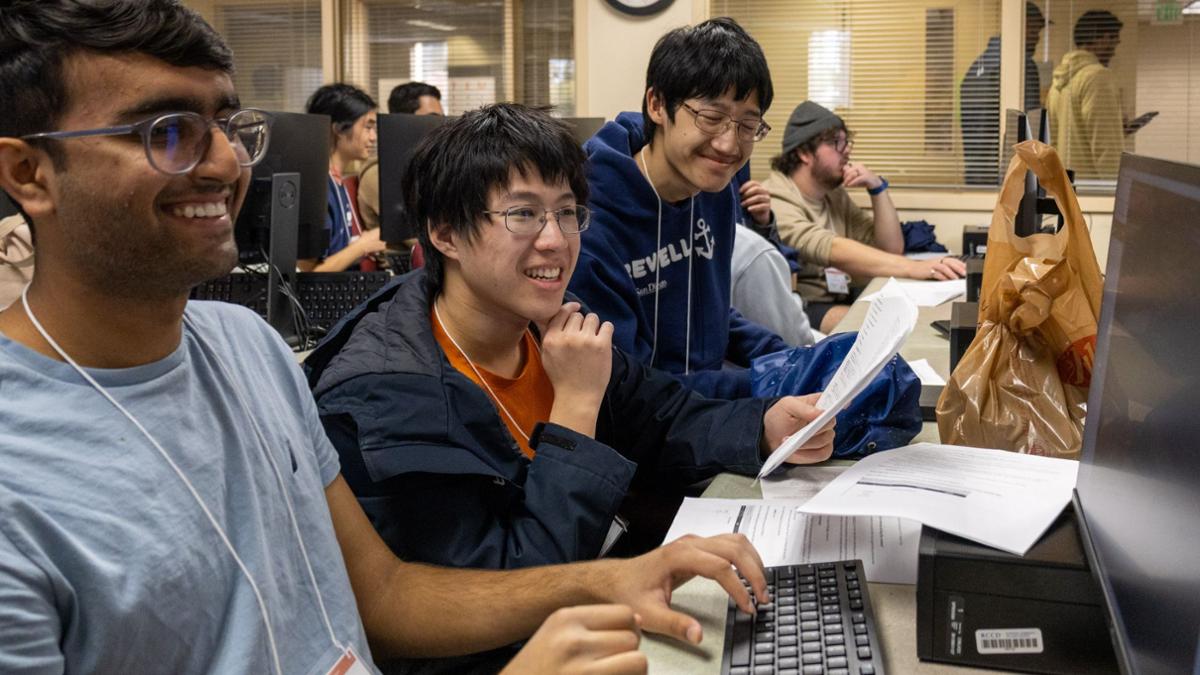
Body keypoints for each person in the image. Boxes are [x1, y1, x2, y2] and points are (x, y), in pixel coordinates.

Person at [0, 2, 783, 672]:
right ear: (29, 172)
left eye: (227, 126)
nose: (224, 163)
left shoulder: (247, 347)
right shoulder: (20, 482)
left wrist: (609, 580)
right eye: (168, 131)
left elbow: (386, 593)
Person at [306, 102, 835, 576]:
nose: (556, 241)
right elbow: (512, 587)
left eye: (566, 213)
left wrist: (763, 427)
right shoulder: (391, 395)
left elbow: (662, 416)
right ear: (446, 233)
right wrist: (577, 405)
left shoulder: (545, 325)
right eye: (522, 214)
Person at [568, 18, 792, 401]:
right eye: (711, 118)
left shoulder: (713, 185)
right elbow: (626, 389)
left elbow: (711, 316)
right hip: (641, 421)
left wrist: (790, 359)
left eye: (747, 125)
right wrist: (764, 381)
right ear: (657, 105)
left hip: (703, 409)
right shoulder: (588, 222)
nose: (728, 145)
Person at [764, 101, 967, 334]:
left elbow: (891, 248)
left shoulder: (834, 195)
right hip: (805, 305)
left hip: (843, 293)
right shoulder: (775, 197)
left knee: (913, 316)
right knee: (888, 327)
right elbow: (829, 247)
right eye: (835, 142)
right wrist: (915, 268)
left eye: (846, 142)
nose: (846, 150)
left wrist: (877, 187)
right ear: (804, 153)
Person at [961, 1, 1048, 185]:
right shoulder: (1020, 67)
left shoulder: (978, 67)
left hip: (979, 176)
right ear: (1023, 25)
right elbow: (1027, 130)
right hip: (1005, 178)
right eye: (1035, 30)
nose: (1038, 38)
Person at [302, 83, 387, 272]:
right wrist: (362, 246)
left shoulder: (336, 180)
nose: (373, 137)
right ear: (339, 129)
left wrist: (360, 245)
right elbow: (310, 273)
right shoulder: (316, 187)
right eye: (367, 127)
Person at [357, 81, 444, 234]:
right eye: (432, 118)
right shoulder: (378, 174)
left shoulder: (426, 165)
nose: (440, 126)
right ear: (404, 121)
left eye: (442, 119)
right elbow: (416, 232)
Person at [1047, 10, 1124, 180]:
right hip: (1093, 190)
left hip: (1067, 187)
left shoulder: (1059, 81)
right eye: (1114, 42)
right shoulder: (1098, 77)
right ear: (1103, 38)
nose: (1114, 51)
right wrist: (1116, 188)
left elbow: (1054, 142)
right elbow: (1106, 148)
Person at [731, 222, 816, 347]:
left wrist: (763, 224)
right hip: (807, 302)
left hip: (791, 302)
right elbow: (794, 343)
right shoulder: (756, 252)